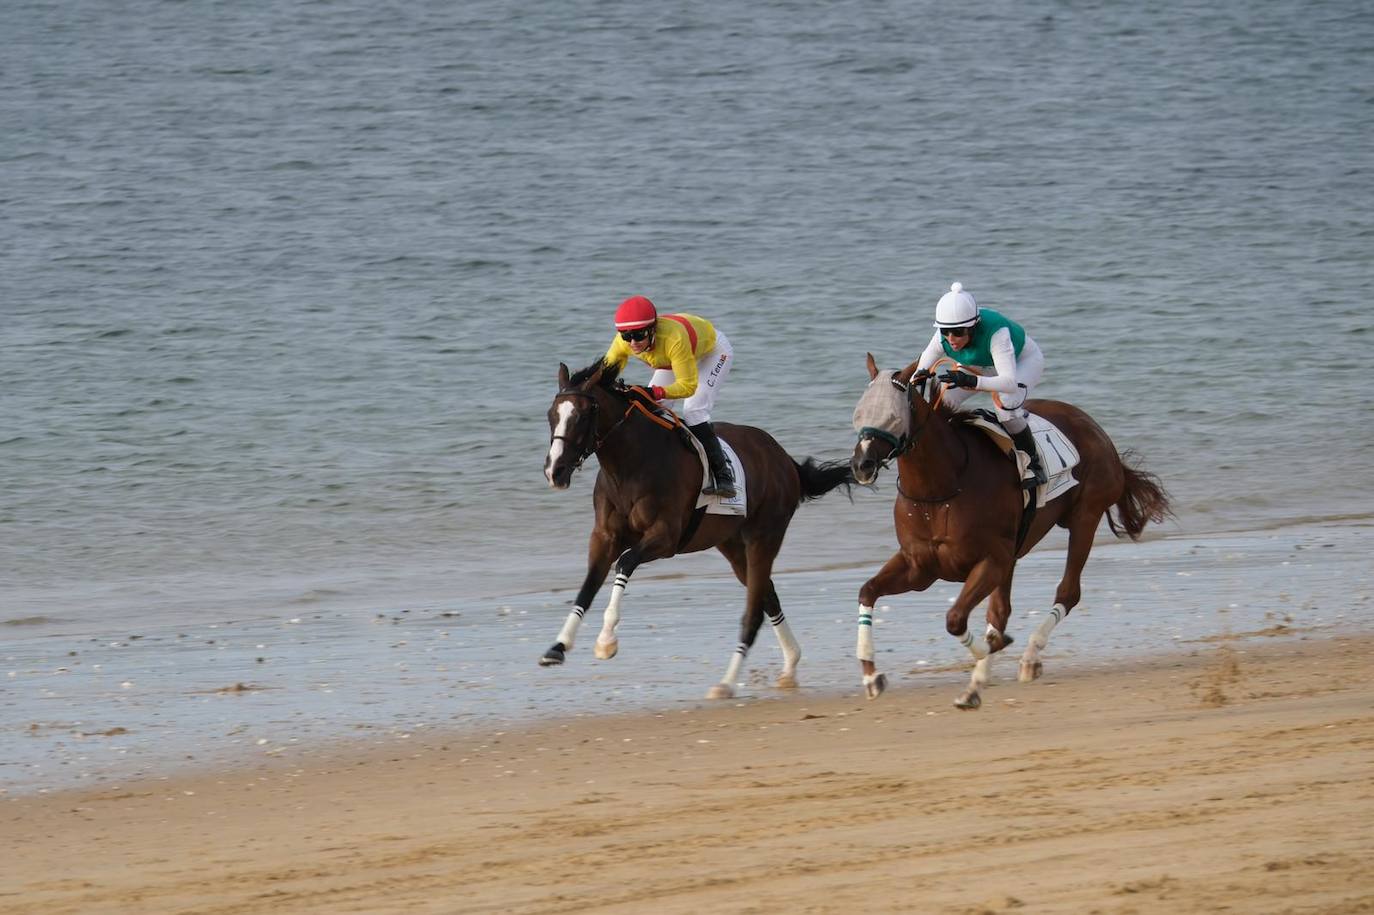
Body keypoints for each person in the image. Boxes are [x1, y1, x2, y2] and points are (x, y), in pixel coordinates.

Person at [603, 294, 737, 499]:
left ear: (652, 329)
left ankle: (723, 475)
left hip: (712, 353)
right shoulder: (625, 342)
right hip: (675, 359)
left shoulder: (673, 339)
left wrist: (655, 391)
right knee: (647, 408)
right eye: (626, 335)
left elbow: (687, 386)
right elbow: (605, 374)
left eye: (639, 335)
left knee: (694, 410)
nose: (632, 342)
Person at [914, 281, 1047, 487]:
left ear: (973, 327)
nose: (952, 339)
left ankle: (1034, 465)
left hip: (1021, 363)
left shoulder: (997, 334)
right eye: (946, 332)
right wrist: (919, 378)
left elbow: (1009, 382)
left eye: (958, 332)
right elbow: (920, 370)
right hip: (979, 364)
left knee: (1006, 407)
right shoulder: (943, 336)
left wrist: (971, 381)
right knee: (942, 401)